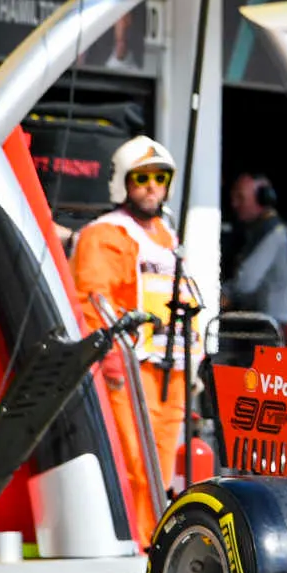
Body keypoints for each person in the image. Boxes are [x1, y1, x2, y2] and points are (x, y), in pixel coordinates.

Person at [71, 136, 196, 528]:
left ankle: (153, 547)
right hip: (128, 367)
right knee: (134, 466)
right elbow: (92, 299)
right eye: (142, 177)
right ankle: (136, 547)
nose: (152, 186)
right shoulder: (105, 234)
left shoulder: (167, 237)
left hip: (171, 369)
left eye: (160, 177)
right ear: (123, 181)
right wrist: (109, 359)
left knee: (159, 472)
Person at [221, 172, 287, 332]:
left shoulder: (273, 233)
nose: (235, 204)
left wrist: (219, 294)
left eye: (241, 198)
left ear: (263, 199)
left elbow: (245, 283)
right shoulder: (259, 231)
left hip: (269, 329)